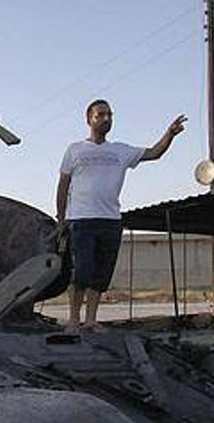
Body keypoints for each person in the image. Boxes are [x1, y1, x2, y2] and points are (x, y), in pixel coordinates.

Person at [56, 100, 186, 330]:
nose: (106, 119)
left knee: (101, 274)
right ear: (89, 119)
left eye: (109, 115)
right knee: (82, 272)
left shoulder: (120, 150)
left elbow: (154, 153)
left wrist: (170, 134)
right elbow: (63, 184)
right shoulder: (74, 150)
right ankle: (74, 319)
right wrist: (60, 218)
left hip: (111, 220)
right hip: (81, 220)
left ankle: (91, 320)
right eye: (100, 115)